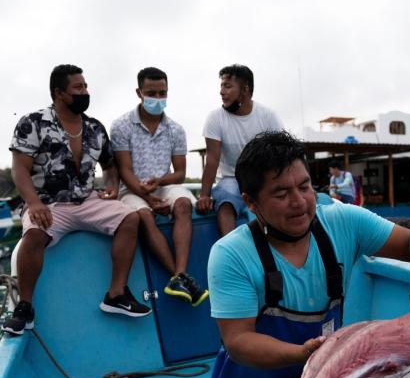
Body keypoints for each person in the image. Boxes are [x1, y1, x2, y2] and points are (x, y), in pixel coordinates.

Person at [204, 130, 410, 378]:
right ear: (250, 202)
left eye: (304, 187)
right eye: (281, 193)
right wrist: (302, 354)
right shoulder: (230, 254)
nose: (299, 202)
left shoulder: (342, 222)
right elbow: (238, 340)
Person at [2, 64, 150, 336]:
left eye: (85, 86)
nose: (85, 92)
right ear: (59, 93)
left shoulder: (94, 127)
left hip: (87, 200)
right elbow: (19, 169)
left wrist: (111, 187)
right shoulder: (32, 122)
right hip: (48, 203)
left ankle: (116, 294)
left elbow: (109, 166)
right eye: (78, 88)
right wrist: (33, 203)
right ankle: (24, 307)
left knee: (129, 217)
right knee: (33, 235)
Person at [110, 67, 208, 306]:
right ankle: (178, 276)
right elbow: (124, 170)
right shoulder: (121, 125)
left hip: (162, 184)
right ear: (139, 93)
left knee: (184, 204)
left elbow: (180, 172)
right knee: (143, 215)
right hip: (131, 189)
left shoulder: (175, 129)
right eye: (151, 93)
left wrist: (160, 184)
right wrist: (148, 197)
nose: (157, 98)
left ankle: (180, 275)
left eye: (162, 93)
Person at [195, 64, 284, 237]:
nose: (221, 91)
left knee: (276, 202)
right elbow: (212, 159)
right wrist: (204, 195)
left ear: (245, 90)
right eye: (221, 86)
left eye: (227, 86)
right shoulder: (215, 118)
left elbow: (282, 154)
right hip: (231, 178)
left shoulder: (268, 116)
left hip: (263, 176)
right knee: (226, 203)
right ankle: (232, 251)